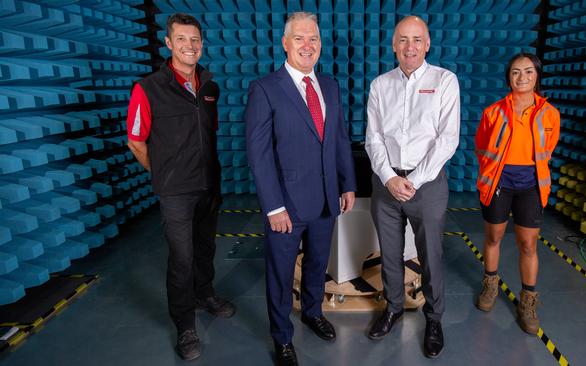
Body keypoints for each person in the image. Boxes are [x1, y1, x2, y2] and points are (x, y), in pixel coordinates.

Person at [245, 11, 356, 366]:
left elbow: (339, 139)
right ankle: (282, 337)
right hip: (286, 206)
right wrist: (273, 207)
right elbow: (258, 154)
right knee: (279, 275)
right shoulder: (265, 88)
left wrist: (347, 183)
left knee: (318, 263)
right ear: (285, 43)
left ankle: (312, 311)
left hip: (326, 199)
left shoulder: (330, 85)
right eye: (299, 38)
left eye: (313, 39)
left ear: (320, 45)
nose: (307, 46)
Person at [126, 13, 235, 361]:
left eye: (195, 39)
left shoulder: (209, 86)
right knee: (182, 259)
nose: (190, 46)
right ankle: (185, 324)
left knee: (204, 249)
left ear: (202, 44)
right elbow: (135, 140)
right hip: (175, 192)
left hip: (208, 185)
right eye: (182, 39)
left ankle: (206, 294)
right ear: (169, 44)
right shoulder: (148, 88)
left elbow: (209, 133)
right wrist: (163, 175)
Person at [364, 15, 460, 358]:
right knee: (390, 253)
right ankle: (392, 308)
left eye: (417, 39)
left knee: (430, 255)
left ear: (428, 44)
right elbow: (373, 139)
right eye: (403, 40)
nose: (410, 47)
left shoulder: (445, 81)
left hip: (428, 184)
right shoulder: (380, 85)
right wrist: (389, 177)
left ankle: (434, 318)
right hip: (385, 182)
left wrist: (414, 180)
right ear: (393, 45)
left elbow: (448, 140)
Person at [474, 53, 560, 334]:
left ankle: (528, 301)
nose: (522, 77)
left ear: (537, 75)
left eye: (528, 72)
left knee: (528, 245)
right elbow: (481, 147)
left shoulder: (550, 114)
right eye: (515, 72)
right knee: (493, 237)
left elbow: (548, 150)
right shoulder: (493, 112)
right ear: (508, 77)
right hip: (499, 182)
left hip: (531, 186)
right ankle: (490, 284)